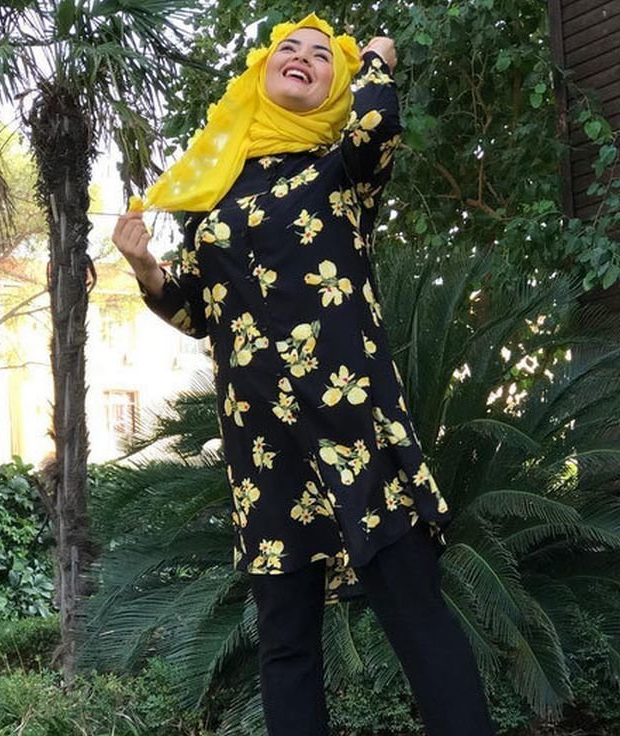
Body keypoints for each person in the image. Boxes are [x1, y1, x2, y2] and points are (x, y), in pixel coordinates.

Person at [112, 13, 495, 736]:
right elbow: (200, 312)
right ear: (260, 72)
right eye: (287, 47)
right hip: (264, 450)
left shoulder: (343, 170)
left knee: (416, 617)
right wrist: (147, 271)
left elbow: (376, 126)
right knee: (285, 644)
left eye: (322, 55)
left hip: (353, 429)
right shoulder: (215, 197)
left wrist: (375, 60)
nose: (301, 57)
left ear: (334, 85)